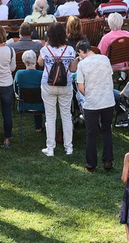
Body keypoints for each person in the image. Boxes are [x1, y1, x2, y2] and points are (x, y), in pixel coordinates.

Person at [37, 23, 79, 157]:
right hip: (65, 84)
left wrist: (45, 47)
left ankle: (50, 148)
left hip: (48, 84)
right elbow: (73, 69)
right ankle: (69, 147)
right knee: (66, 115)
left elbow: (40, 63)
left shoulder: (45, 50)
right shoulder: (70, 50)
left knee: (50, 116)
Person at [76, 38, 115, 171]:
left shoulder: (82, 65)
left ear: (82, 51)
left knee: (91, 133)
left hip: (91, 103)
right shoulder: (105, 59)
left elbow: (81, 86)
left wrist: (89, 95)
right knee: (107, 130)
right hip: (108, 100)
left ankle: (91, 163)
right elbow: (110, 76)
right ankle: (108, 160)